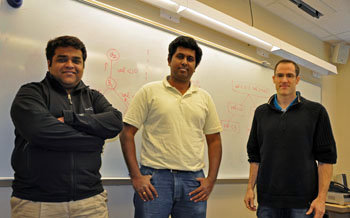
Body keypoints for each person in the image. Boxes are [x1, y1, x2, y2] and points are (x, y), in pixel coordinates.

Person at [10, 35, 123, 218]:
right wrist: (95, 140)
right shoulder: (31, 93)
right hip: (37, 204)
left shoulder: (93, 97)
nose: (70, 64)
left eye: (76, 60)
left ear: (83, 66)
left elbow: (115, 121)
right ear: (49, 63)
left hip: (90, 202)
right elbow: (40, 132)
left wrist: (70, 118)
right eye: (62, 59)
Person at [120, 35, 223, 218]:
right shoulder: (149, 91)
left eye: (190, 59)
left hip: (193, 181)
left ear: (195, 66)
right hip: (155, 180)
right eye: (180, 56)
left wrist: (211, 181)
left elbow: (214, 140)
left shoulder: (204, 98)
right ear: (169, 60)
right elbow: (127, 133)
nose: (184, 62)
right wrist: (136, 176)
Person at [244, 59, 337, 218]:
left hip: (303, 203)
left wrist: (321, 199)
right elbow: (255, 156)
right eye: (280, 75)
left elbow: (326, 159)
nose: (284, 80)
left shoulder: (316, 112)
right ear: (274, 79)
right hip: (267, 202)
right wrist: (250, 188)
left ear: (297, 79)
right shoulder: (261, 113)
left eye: (289, 75)